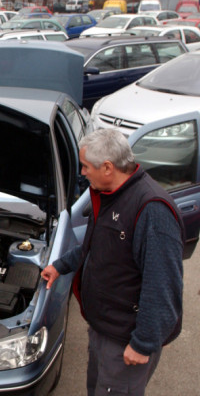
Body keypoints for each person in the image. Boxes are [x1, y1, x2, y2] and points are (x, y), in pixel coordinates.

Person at [41, 128, 183, 396]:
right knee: (96, 388)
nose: (82, 173)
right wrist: (60, 266)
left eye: (85, 167)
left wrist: (143, 343)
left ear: (107, 167)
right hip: (103, 326)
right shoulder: (108, 193)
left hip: (125, 338)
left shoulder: (152, 210)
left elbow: (162, 285)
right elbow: (95, 247)